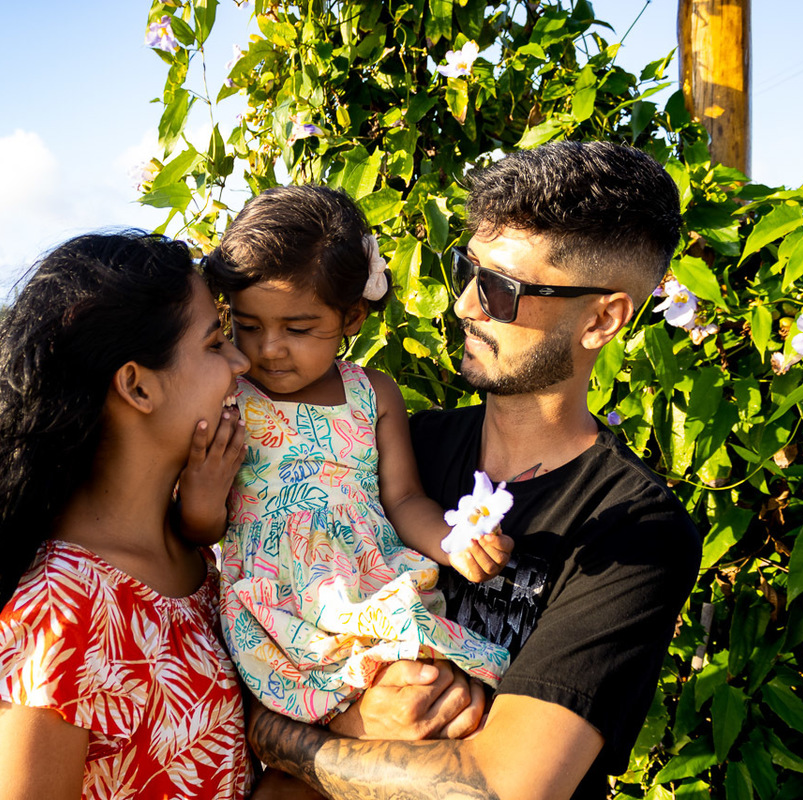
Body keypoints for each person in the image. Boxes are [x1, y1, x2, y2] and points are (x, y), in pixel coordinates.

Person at [244, 141, 703, 800]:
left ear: (602, 319)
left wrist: (290, 735)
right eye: (469, 270)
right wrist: (348, 719)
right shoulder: (394, 450)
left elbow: (502, 788)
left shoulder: (633, 533)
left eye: (500, 289)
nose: (464, 304)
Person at [0, 232, 255, 799]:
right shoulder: (62, 612)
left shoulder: (192, 553)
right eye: (215, 343)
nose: (242, 361)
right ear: (137, 386)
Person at [184, 184, 515, 726]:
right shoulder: (226, 395)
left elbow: (404, 499)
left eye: (298, 328)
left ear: (352, 317)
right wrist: (200, 498)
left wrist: (454, 542)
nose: (268, 348)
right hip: (276, 603)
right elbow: (204, 530)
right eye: (247, 325)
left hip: (369, 581)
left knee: (446, 699)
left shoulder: (372, 394)